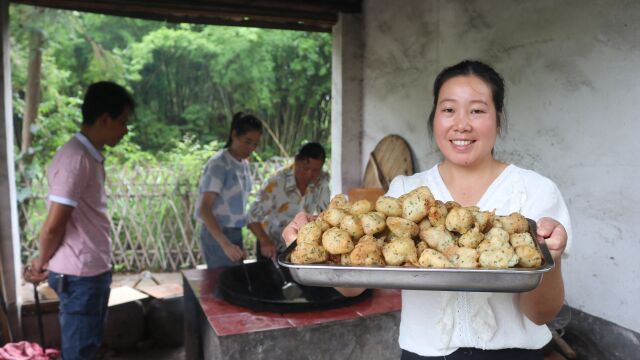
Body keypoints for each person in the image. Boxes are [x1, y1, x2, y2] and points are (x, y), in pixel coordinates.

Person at [282, 60, 572, 360]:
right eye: (449, 110)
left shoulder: (535, 191)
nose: (462, 124)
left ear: (498, 118)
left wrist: (551, 254)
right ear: (434, 117)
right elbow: (353, 287)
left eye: (477, 110)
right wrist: (314, 240)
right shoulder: (404, 193)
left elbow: (540, 314)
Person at [23, 81, 134, 360]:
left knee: (88, 345)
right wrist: (40, 261)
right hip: (81, 275)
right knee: (80, 351)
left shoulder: (88, 156)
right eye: (122, 122)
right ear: (104, 119)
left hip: (91, 270)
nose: (125, 130)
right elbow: (54, 225)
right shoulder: (75, 159)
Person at [196, 112, 263, 269]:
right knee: (222, 284)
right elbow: (204, 209)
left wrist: (235, 243)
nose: (251, 148)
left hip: (234, 232)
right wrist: (225, 244)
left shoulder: (243, 165)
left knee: (233, 282)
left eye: (255, 144)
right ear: (234, 135)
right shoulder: (218, 164)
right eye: (247, 142)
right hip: (217, 234)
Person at [247, 142, 330, 260]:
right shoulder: (277, 182)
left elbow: (326, 214)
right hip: (272, 248)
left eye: (315, 170)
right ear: (296, 160)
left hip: (300, 248)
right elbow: (252, 217)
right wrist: (264, 241)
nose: (309, 174)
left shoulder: (321, 181)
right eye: (306, 168)